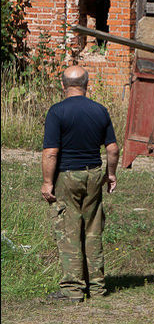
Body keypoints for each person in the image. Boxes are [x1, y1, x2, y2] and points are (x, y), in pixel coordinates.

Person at [41, 65, 119, 303]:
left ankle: (73, 290)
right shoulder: (100, 110)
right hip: (94, 173)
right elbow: (113, 149)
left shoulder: (57, 112)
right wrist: (111, 174)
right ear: (87, 85)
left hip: (68, 175)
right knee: (93, 230)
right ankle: (97, 288)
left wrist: (47, 183)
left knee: (69, 230)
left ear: (63, 85)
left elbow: (51, 153)